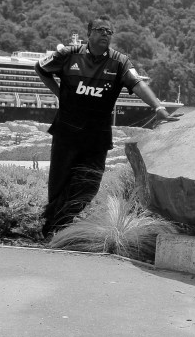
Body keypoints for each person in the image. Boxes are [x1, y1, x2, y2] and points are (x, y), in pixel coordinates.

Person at [35, 15, 179, 238]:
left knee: (90, 184)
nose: (105, 34)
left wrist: (157, 106)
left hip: (97, 136)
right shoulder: (69, 55)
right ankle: (54, 229)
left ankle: (57, 222)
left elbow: (137, 83)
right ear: (89, 33)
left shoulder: (119, 62)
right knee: (58, 183)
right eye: (100, 30)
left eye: (109, 31)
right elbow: (41, 68)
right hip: (66, 132)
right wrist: (59, 92)